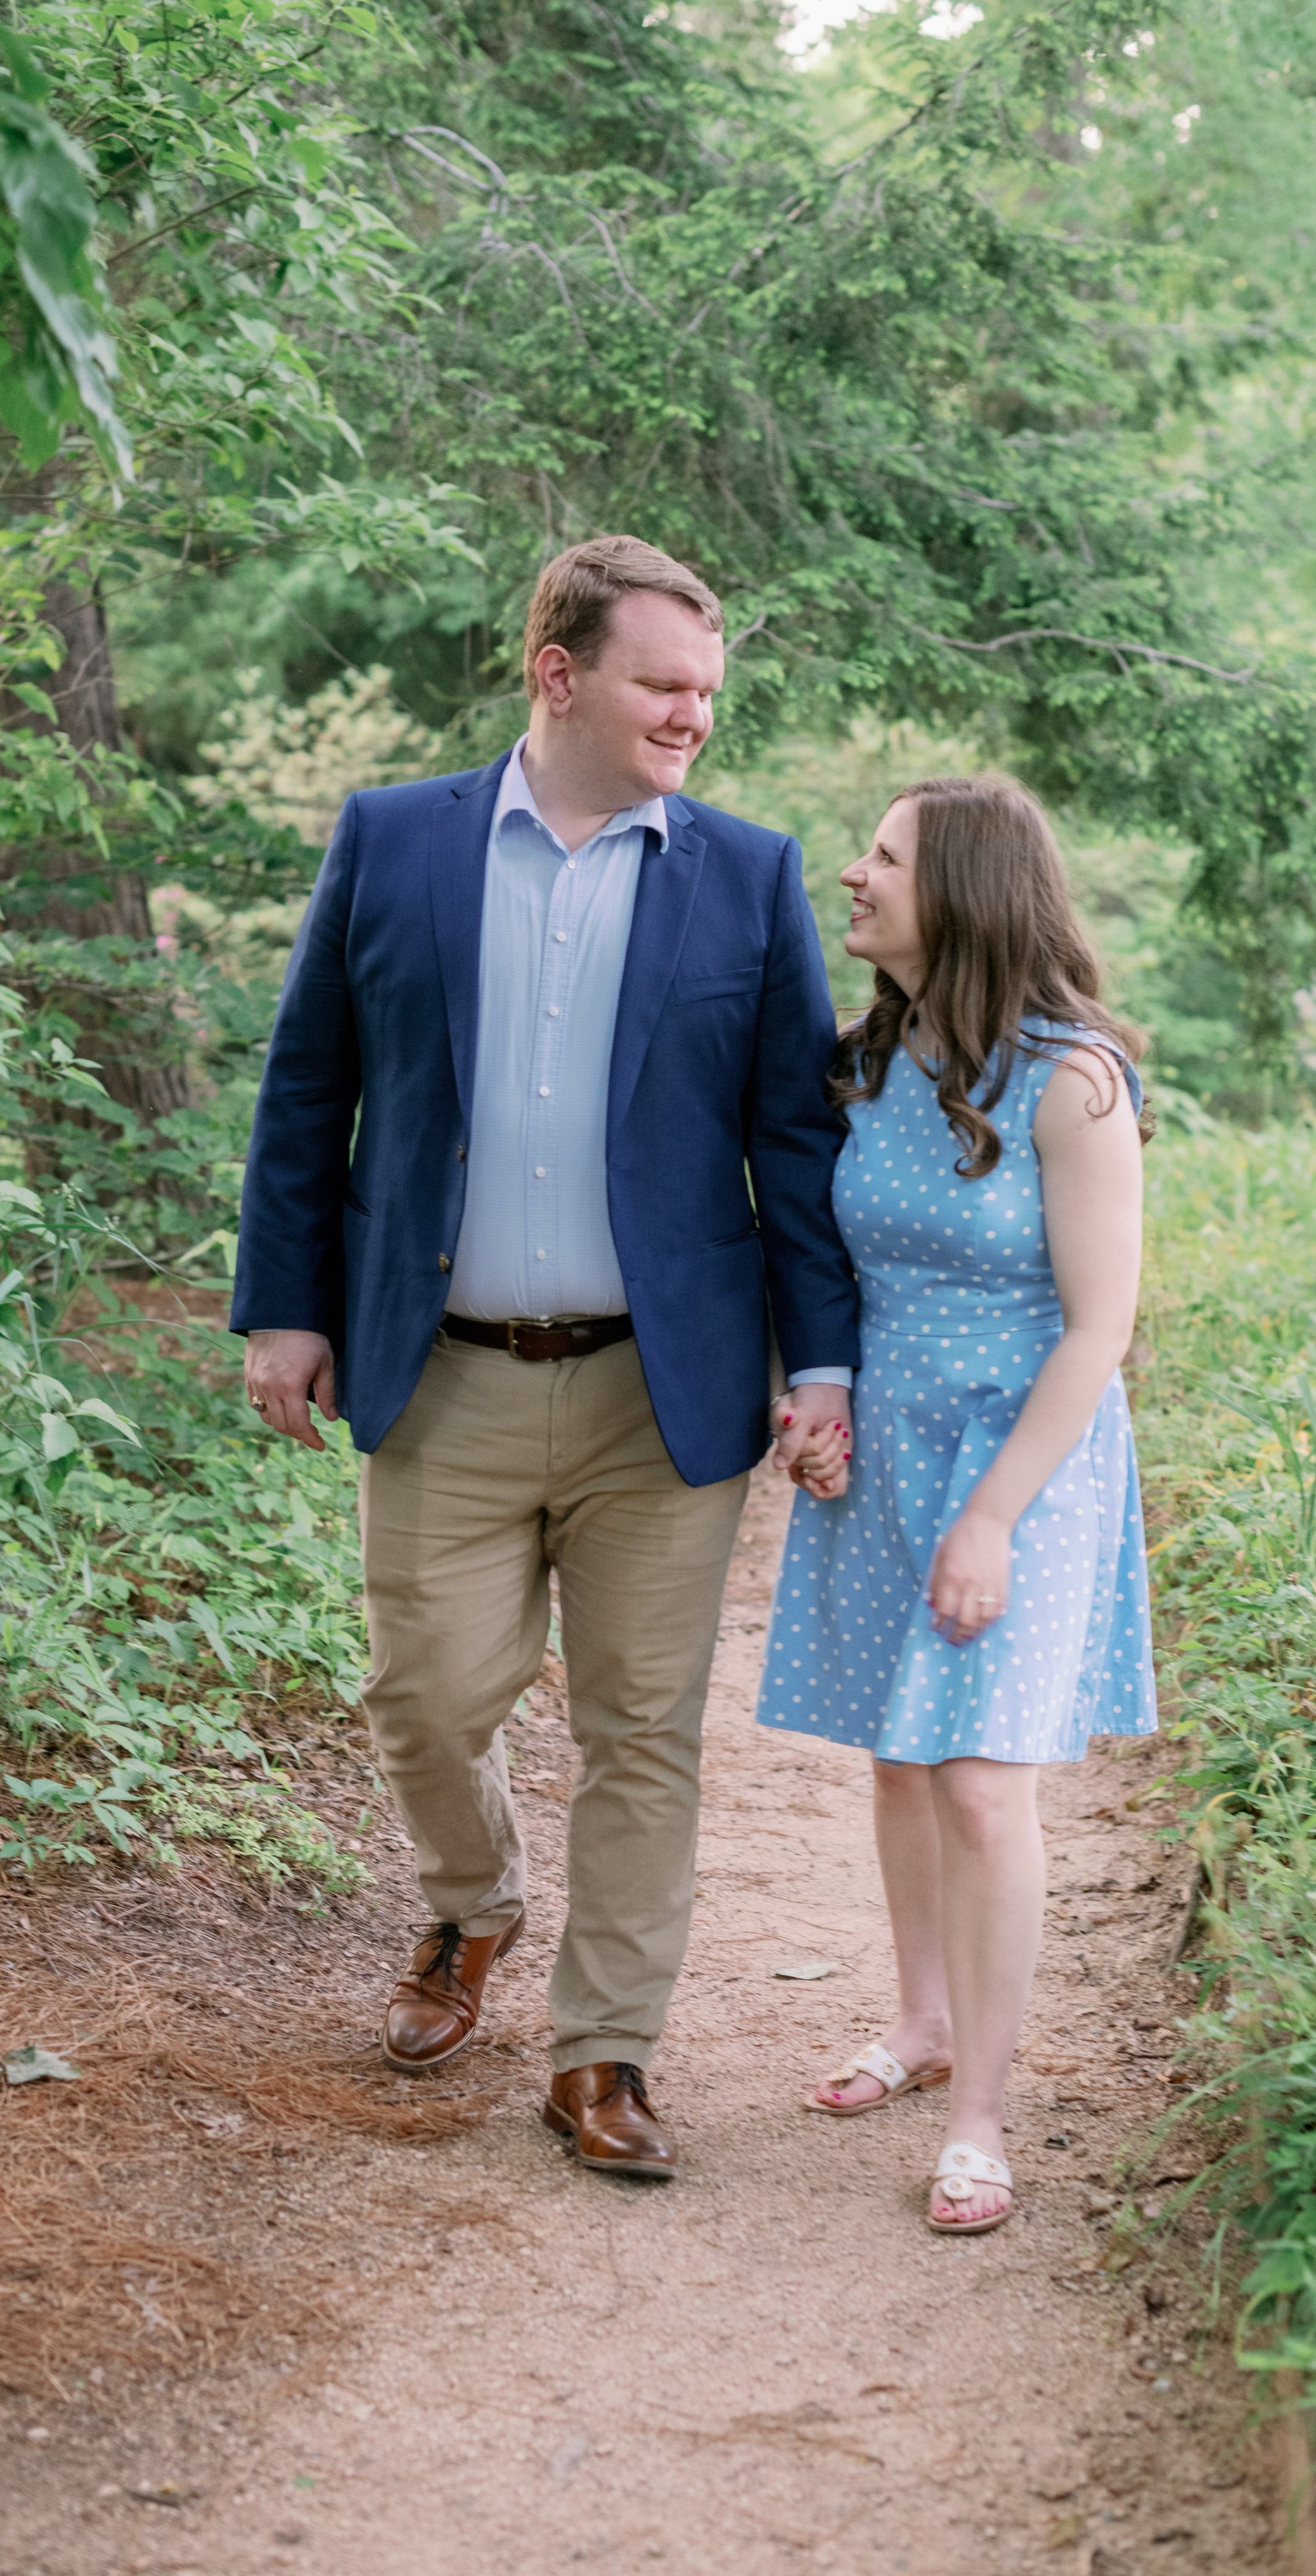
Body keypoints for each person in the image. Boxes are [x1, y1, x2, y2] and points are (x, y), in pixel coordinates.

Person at [230, 535, 858, 2179]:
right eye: (662, 683)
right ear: (557, 672)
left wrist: (825, 1362)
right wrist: (285, 1308)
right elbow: (310, 1088)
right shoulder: (395, 840)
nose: (691, 717)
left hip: (667, 1392)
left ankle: (604, 2058)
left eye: (708, 692)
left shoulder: (745, 872)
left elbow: (792, 1146)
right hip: (438, 1372)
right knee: (424, 1696)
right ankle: (471, 1908)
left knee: (644, 1728)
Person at [759, 774, 1156, 2234]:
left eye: (882, 857)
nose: (849, 874)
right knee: (898, 1756)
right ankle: (918, 2022)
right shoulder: (866, 1059)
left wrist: (988, 1516)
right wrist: (816, 1401)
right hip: (890, 1441)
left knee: (984, 1781)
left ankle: (982, 2111)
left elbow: (1096, 1331)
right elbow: (833, 1272)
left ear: (967, 893)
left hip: (1025, 1458)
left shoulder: (1071, 1080)